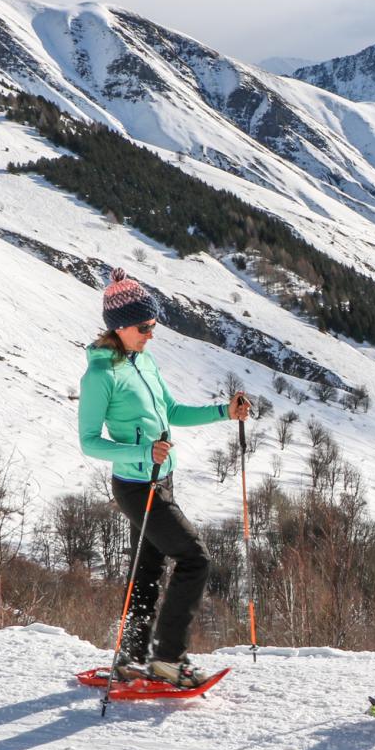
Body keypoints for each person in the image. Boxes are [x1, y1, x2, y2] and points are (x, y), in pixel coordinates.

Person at [77, 268, 251, 687]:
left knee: (148, 567)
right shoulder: (101, 377)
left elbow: (170, 412)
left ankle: (132, 656)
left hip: (161, 480)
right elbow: (89, 442)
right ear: (119, 327)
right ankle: (168, 658)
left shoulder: (143, 361)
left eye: (153, 326)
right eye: (144, 327)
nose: (151, 334)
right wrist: (141, 451)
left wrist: (223, 413)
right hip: (136, 487)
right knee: (196, 558)